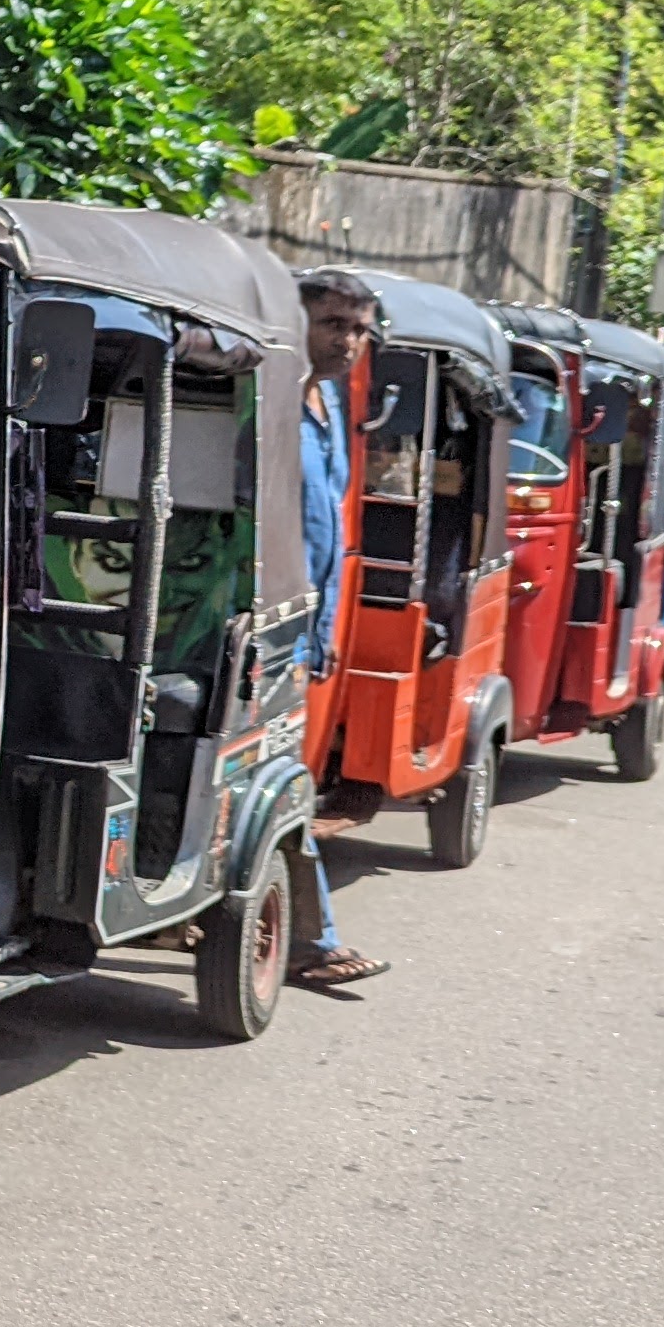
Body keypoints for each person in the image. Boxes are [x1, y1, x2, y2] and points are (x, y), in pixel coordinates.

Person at [290, 270, 389, 992]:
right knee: (283, 785)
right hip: (250, 632)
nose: (347, 340)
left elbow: (331, 534)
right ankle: (312, 938)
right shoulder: (272, 401)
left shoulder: (329, 408)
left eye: (357, 328)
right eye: (333, 323)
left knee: (283, 780)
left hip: (299, 640)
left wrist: (322, 633)